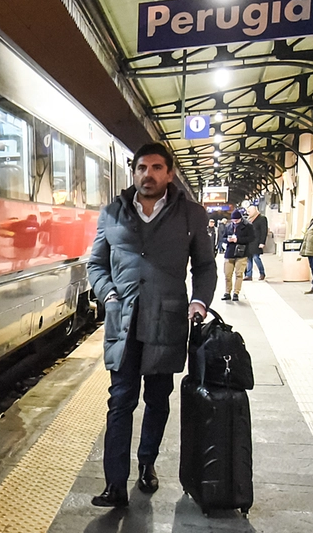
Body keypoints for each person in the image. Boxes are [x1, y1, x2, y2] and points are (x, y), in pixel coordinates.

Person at [87, 142, 215, 507]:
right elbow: (96, 263)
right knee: (120, 401)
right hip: (123, 323)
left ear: (169, 174)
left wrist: (199, 302)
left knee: (158, 400)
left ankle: (147, 464)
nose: (149, 174)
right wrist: (108, 294)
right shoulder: (112, 212)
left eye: (157, 168)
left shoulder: (191, 214)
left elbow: (204, 266)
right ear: (134, 172)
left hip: (168, 320)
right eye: (142, 168)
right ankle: (115, 484)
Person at [221, 209, 257, 302]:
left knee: (239, 274)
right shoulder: (228, 226)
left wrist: (238, 239)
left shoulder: (248, 226)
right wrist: (227, 240)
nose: (235, 222)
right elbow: (223, 237)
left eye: (236, 220)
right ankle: (227, 292)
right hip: (229, 253)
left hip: (242, 253)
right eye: (233, 220)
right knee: (227, 274)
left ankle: (236, 293)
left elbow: (251, 238)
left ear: (240, 218)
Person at [247, 205, 268, 280]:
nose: (248, 213)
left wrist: (262, 242)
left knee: (256, 258)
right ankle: (248, 275)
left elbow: (264, 231)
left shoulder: (262, 219)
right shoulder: (249, 219)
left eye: (249, 211)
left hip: (257, 242)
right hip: (249, 242)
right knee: (248, 259)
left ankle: (262, 273)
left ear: (255, 210)